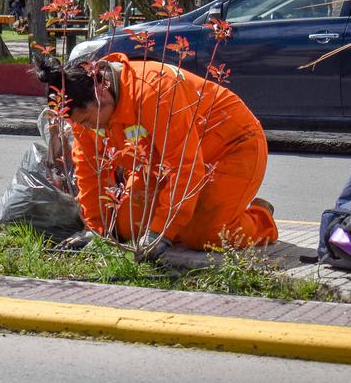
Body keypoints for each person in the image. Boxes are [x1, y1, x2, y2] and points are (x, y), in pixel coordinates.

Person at [35, 53, 277, 254]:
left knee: (206, 235)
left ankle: (260, 216)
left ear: (102, 90)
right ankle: (192, 216)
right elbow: (89, 171)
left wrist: (160, 232)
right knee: (128, 225)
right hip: (164, 162)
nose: (89, 129)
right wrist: (96, 230)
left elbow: (185, 166)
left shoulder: (154, 91)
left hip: (232, 146)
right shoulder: (85, 114)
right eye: (82, 124)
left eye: (88, 121)